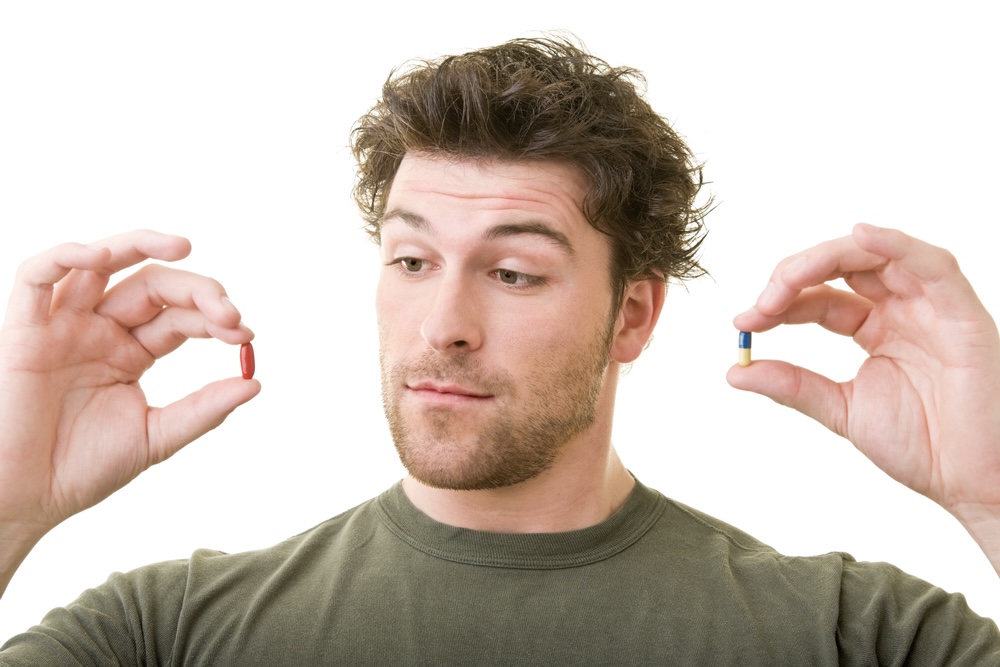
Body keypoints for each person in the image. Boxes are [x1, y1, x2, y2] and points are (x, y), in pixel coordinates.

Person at [1, 36, 998, 664]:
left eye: (514, 273)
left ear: (632, 315)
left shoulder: (854, 635)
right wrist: (8, 505)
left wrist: (992, 494)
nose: (443, 324)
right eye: (412, 260)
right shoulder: (163, 633)